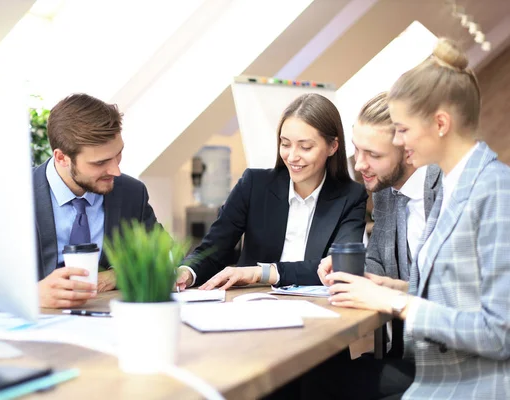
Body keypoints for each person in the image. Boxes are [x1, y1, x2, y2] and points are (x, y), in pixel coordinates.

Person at [324, 38, 510, 399]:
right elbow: (455, 294)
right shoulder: (453, 187)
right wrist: (381, 286)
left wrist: (394, 302)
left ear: (441, 123)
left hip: (471, 384)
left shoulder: (496, 190)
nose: (398, 140)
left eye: (403, 130)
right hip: (440, 373)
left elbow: (500, 332)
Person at [0, 93, 160, 315]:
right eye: (100, 162)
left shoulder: (132, 193)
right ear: (61, 158)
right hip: (30, 335)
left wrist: (117, 274)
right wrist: (31, 295)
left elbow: (167, 258)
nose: (116, 170)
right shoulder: (8, 197)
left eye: (118, 154)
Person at [176, 93, 368, 291]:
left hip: (318, 308)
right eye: (285, 144)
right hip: (253, 303)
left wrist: (261, 272)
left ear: (332, 147)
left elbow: (338, 267)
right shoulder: (253, 185)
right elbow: (213, 250)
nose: (292, 156)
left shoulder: (351, 197)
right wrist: (186, 272)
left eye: (305, 147)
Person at [318, 92, 442, 358]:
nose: (359, 164)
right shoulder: (385, 191)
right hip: (405, 352)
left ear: (408, 152)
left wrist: (387, 292)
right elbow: (379, 263)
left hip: (448, 362)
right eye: (357, 149)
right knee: (319, 376)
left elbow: (456, 295)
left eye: (372, 154)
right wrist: (350, 271)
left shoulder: (449, 191)